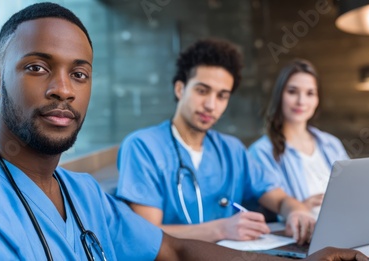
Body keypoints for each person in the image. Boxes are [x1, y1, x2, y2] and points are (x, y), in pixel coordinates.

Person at [0, 3, 368, 261]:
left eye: (79, 74)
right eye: (37, 67)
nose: (62, 88)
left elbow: (175, 250)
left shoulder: (84, 194)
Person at [116, 39, 319, 245]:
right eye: (202, 91)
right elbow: (145, 233)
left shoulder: (232, 150)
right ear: (180, 89)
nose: (211, 105)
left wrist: (296, 212)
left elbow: (281, 199)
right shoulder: (143, 147)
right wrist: (222, 229)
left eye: (222, 96)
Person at [248, 59, 349, 217]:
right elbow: (271, 205)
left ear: (317, 100)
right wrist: (299, 208)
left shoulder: (331, 144)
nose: (301, 101)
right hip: (298, 236)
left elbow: (353, 189)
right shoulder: (261, 151)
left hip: (343, 223)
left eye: (310, 93)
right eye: (292, 92)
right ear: (280, 95)